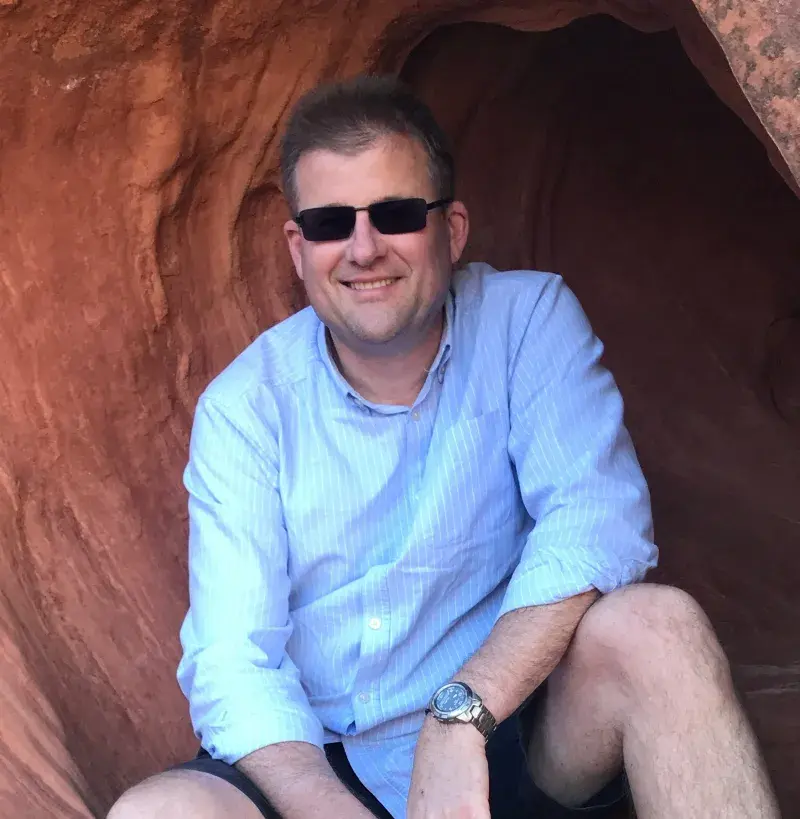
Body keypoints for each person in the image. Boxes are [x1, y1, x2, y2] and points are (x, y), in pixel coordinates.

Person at [108, 75, 780, 819]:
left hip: (499, 734)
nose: (363, 248)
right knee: (158, 812)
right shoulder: (247, 406)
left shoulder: (528, 320)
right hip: (320, 764)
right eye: (332, 223)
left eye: (394, 214)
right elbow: (235, 660)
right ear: (298, 248)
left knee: (659, 629)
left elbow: (598, 519)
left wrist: (462, 714)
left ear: (451, 230)